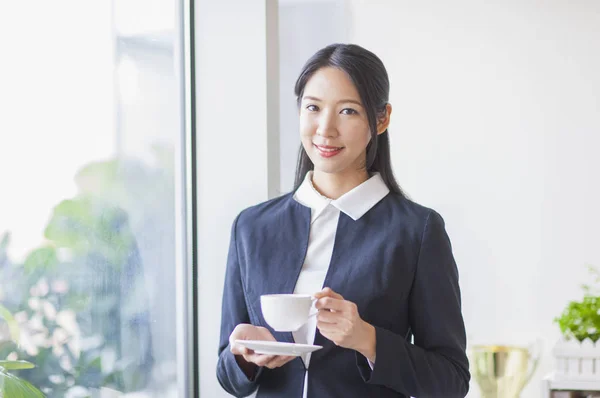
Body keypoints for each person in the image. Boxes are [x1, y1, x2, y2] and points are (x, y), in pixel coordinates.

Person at [216, 43, 470, 398]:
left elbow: (451, 380)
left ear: (381, 119)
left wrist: (369, 340)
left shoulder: (417, 231)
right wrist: (245, 356)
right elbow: (228, 376)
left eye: (348, 111)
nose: (326, 129)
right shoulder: (252, 227)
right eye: (313, 108)